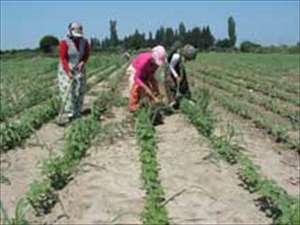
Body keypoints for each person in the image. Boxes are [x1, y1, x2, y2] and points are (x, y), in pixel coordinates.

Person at [58, 22, 90, 122]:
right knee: (69, 90)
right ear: (70, 32)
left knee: (80, 89)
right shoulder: (64, 42)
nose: (77, 38)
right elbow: (63, 58)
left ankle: (77, 111)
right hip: (66, 68)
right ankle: (69, 112)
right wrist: (68, 72)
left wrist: (83, 62)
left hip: (79, 68)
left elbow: (86, 55)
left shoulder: (85, 42)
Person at [127, 45, 167, 112]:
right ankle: (133, 106)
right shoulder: (144, 61)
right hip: (135, 71)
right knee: (136, 88)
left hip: (145, 72)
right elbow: (136, 78)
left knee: (150, 87)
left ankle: (148, 102)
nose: (157, 65)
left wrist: (156, 91)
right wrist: (146, 88)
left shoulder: (156, 64)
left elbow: (151, 76)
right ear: (153, 57)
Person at [164, 43, 197, 108]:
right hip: (171, 70)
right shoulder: (176, 56)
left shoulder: (182, 56)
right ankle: (172, 101)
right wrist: (176, 76)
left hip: (177, 68)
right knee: (171, 84)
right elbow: (171, 66)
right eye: (189, 58)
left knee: (184, 81)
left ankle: (187, 97)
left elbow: (180, 67)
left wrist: (180, 76)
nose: (188, 60)